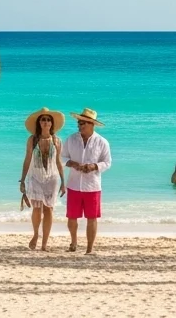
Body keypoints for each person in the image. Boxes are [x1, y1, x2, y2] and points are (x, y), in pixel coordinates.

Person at [62, 108, 112, 254]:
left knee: (92, 218)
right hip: (73, 184)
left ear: (91, 124)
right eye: (79, 122)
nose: (79, 125)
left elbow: (107, 162)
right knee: (71, 217)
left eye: (83, 122)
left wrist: (93, 166)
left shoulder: (102, 142)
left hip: (93, 186)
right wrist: (72, 164)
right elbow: (62, 157)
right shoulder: (71, 139)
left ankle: (89, 249)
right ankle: (73, 242)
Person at [20, 107, 66, 251]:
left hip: (52, 178)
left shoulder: (57, 140)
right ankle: (35, 234)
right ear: (39, 123)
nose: (46, 122)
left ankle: (45, 243)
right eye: (43, 120)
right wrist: (22, 180)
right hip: (35, 177)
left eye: (48, 120)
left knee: (49, 209)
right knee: (37, 208)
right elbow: (27, 159)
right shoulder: (32, 139)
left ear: (51, 124)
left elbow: (58, 162)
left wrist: (64, 182)